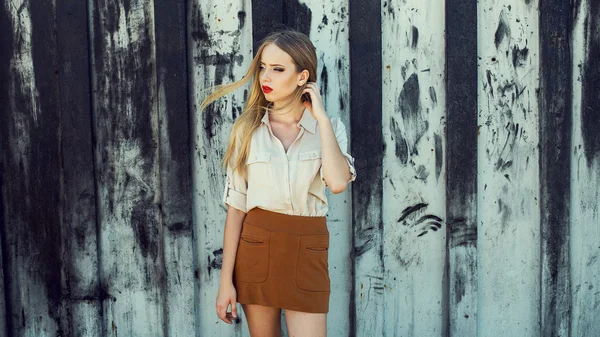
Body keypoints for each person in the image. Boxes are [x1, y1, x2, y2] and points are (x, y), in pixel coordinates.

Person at [200, 29, 356, 337]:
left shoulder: (329, 128)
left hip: (307, 250)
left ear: (302, 77)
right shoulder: (247, 130)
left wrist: (321, 119)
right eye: (262, 67)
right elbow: (236, 210)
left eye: (278, 69)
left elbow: (337, 183)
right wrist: (225, 282)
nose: (265, 76)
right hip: (256, 249)